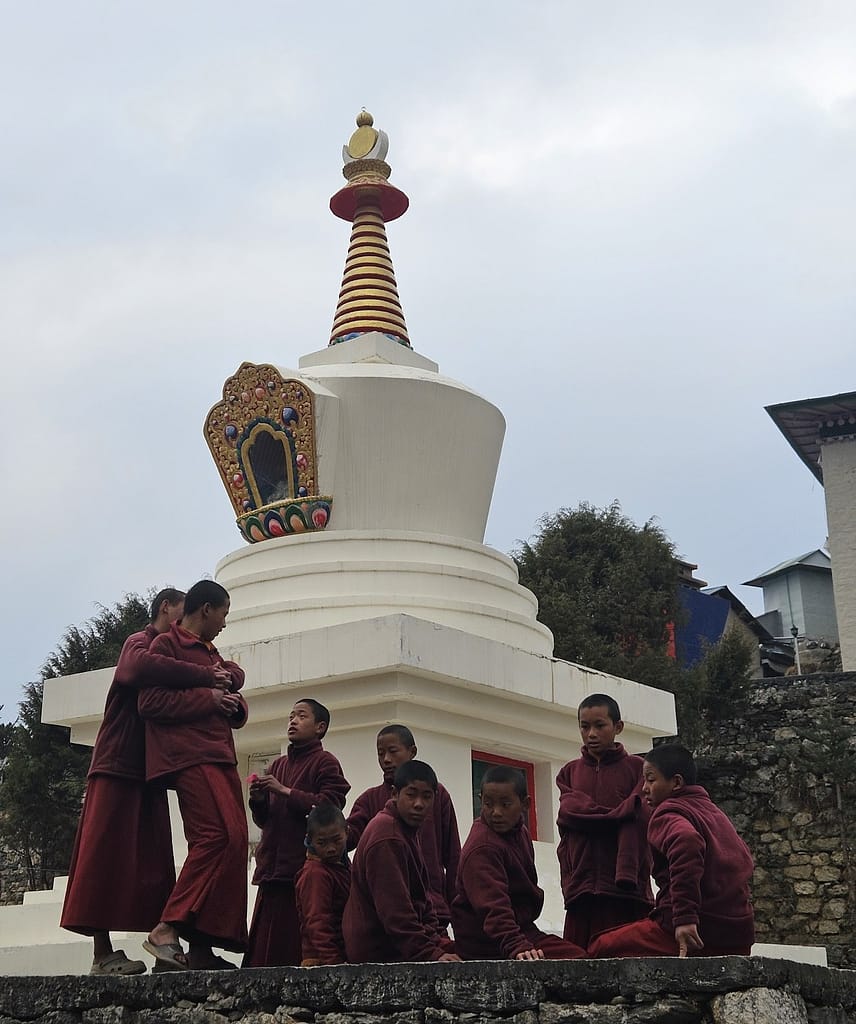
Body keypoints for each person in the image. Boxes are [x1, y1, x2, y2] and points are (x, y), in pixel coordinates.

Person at [60, 587, 233, 976]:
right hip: (118, 761)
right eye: (179, 607)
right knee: (102, 854)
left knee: (153, 863)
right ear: (165, 608)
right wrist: (208, 677)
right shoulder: (142, 643)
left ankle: (173, 946)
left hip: (150, 767)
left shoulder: (178, 651)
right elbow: (135, 671)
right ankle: (101, 953)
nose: (184, 615)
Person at [138, 579, 249, 971]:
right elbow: (150, 702)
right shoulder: (166, 646)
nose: (224, 623)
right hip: (189, 755)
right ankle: (166, 927)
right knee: (215, 836)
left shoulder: (211, 652)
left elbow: (230, 694)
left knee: (237, 840)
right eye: (223, 613)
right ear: (206, 609)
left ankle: (202, 945)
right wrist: (209, 697)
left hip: (219, 753)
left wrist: (233, 705)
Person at [589, 743, 755, 958]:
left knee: (600, 947)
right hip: (738, 936)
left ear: (676, 783)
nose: (644, 788)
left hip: (692, 933)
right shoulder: (715, 814)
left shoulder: (667, 812)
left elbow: (686, 842)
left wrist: (685, 919)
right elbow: (745, 860)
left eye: (651, 779)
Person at [244, 698, 350, 968]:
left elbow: (330, 809)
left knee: (295, 946)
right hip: (272, 870)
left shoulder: (325, 763)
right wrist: (258, 800)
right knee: (264, 955)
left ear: (320, 727)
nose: (293, 721)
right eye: (291, 716)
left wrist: (285, 791)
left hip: (301, 870)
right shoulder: (278, 766)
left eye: (301, 716)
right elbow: (265, 820)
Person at [452, 765, 586, 961]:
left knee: (582, 958)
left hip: (522, 931)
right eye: (488, 804)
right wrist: (516, 946)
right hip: (486, 942)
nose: (496, 812)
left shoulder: (520, 832)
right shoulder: (483, 847)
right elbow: (493, 907)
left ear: (525, 804)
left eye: (505, 805)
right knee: (574, 962)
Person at [556, 694, 653, 948]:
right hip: (582, 887)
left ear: (617, 727)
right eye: (584, 726)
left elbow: (639, 813)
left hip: (625, 887)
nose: (591, 734)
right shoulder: (569, 772)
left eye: (600, 726)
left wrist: (594, 818)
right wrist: (617, 815)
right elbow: (568, 813)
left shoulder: (638, 769)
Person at [343, 760, 461, 964]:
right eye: (411, 794)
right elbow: (396, 912)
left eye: (426, 797)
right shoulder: (387, 835)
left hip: (402, 944)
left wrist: (438, 943)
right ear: (395, 794)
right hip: (379, 953)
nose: (418, 804)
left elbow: (421, 902)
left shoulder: (406, 829)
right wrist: (431, 954)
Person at [346, 724, 460, 926]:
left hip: (434, 908)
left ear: (412, 751)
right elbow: (346, 840)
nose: (386, 760)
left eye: (393, 751)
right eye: (381, 754)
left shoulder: (437, 794)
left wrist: (457, 910)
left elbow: (453, 856)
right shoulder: (369, 799)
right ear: (394, 796)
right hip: (385, 913)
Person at [294, 803, 351, 966]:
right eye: (322, 843)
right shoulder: (315, 874)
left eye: (336, 840)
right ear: (309, 840)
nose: (331, 849)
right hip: (321, 962)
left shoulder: (343, 866)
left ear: (347, 833)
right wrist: (335, 964)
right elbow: (317, 923)